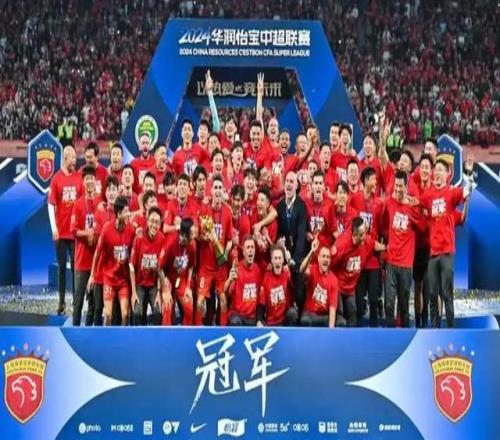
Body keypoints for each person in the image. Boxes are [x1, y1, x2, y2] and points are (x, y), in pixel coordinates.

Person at [420, 159, 472, 328]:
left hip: (447, 253)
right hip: (433, 255)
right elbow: (417, 203)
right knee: (432, 294)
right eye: (436, 170)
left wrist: (469, 174)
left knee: (446, 294)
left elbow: (466, 192)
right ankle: (435, 330)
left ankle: (450, 330)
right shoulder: (428, 194)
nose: (437, 173)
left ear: (447, 174)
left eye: (441, 170)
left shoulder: (451, 192)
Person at [383, 170, 425, 328]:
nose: (398, 189)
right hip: (391, 262)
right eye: (396, 185)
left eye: (401, 186)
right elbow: (383, 223)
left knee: (404, 306)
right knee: (388, 304)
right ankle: (390, 334)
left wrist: (418, 204)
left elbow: (423, 226)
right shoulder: (389, 202)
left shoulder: (412, 208)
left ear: (406, 187)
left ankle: (405, 335)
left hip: (406, 265)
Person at [331, 217, 385, 327]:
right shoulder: (341, 245)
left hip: (350, 289)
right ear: (355, 235)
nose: (365, 236)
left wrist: (386, 247)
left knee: (353, 313)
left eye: (365, 232)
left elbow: (374, 244)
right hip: (338, 286)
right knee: (340, 316)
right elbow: (330, 265)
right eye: (362, 234)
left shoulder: (365, 241)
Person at [89, 196, 135, 326]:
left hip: (123, 280)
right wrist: (92, 275)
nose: (129, 214)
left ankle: (123, 338)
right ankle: (105, 337)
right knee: (108, 315)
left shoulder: (131, 230)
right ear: (119, 214)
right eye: (126, 212)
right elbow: (97, 252)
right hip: (109, 278)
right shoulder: (107, 229)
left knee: (125, 314)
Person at [48, 145, 82, 315]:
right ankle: (61, 302)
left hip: (75, 233)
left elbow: (83, 203)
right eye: (72, 158)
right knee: (62, 268)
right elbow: (50, 204)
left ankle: (76, 302)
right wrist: (54, 228)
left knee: (76, 268)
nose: (75, 160)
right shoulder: (56, 179)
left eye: (76, 157)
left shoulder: (79, 178)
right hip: (61, 234)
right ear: (65, 158)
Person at [195, 175, 233, 326]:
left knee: (223, 300)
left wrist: (225, 253)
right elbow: (197, 236)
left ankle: (223, 331)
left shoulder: (227, 212)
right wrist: (205, 238)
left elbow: (230, 239)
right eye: (215, 187)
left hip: (220, 267)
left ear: (223, 191)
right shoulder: (204, 209)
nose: (217, 191)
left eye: (220, 188)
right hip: (205, 267)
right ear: (211, 190)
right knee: (199, 302)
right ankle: (197, 332)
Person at [349, 166, 384, 326]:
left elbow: (381, 228)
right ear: (365, 181)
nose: (376, 182)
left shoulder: (378, 203)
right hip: (358, 257)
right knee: (359, 298)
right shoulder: (354, 199)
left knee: (374, 299)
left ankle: (374, 329)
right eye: (373, 179)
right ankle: (357, 330)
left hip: (374, 260)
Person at [70, 165, 98, 326]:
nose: (89, 181)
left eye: (92, 179)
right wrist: (87, 233)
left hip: (96, 263)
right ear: (83, 182)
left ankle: (88, 331)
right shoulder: (78, 204)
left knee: (94, 303)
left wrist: (95, 233)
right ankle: (75, 330)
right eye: (87, 179)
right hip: (81, 262)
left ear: (95, 181)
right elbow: (73, 230)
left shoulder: (100, 203)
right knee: (78, 301)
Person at [276, 171, 308, 310]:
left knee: (300, 294)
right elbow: (279, 233)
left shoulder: (301, 206)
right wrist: (284, 252)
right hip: (285, 255)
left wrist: (294, 260)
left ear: (296, 186)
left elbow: (301, 236)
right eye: (287, 181)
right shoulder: (280, 206)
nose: (288, 184)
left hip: (298, 256)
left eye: (291, 182)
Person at [91, 175, 119, 325]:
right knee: (98, 308)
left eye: (114, 189)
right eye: (109, 190)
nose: (111, 193)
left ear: (118, 191)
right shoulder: (99, 212)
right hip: (100, 270)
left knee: (115, 311)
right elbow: (96, 239)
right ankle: (95, 336)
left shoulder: (121, 212)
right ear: (105, 193)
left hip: (116, 272)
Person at [129, 206, 164, 325]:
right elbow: (131, 266)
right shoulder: (138, 238)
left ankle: (155, 336)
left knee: (158, 312)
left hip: (154, 285)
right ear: (147, 221)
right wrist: (133, 292)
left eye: (157, 222)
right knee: (137, 312)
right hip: (139, 284)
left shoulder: (162, 239)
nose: (154, 225)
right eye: (152, 221)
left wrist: (159, 292)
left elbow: (161, 269)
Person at [160, 218, 196, 325]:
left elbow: (191, 266)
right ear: (184, 235)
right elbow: (159, 268)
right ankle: (166, 334)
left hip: (182, 279)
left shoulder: (192, 244)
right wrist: (165, 290)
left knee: (189, 307)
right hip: (168, 278)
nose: (194, 236)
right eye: (191, 234)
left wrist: (188, 287)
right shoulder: (170, 243)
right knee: (167, 306)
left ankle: (186, 334)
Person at [299, 238, 338, 327]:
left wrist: (331, 331)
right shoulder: (313, 269)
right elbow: (302, 270)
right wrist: (312, 252)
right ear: (318, 258)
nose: (325, 259)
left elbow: (332, 308)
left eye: (328, 257)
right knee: (305, 320)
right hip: (309, 314)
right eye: (323, 256)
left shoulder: (333, 280)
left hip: (324, 316)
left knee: (335, 321)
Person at [257, 244, 298, 326]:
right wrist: (259, 320)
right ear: (272, 260)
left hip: (285, 321)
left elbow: (296, 282)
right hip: (270, 323)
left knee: (292, 313)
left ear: (283, 260)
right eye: (275, 258)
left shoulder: (287, 274)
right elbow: (261, 304)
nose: (277, 261)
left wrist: (290, 262)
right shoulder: (266, 278)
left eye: (279, 258)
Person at [226, 236, 261, 326]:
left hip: (252, 318)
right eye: (248, 247)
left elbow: (260, 299)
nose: (250, 250)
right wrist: (229, 280)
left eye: (252, 247)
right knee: (235, 322)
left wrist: (259, 320)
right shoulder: (237, 269)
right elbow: (226, 293)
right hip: (238, 316)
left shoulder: (257, 270)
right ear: (243, 252)